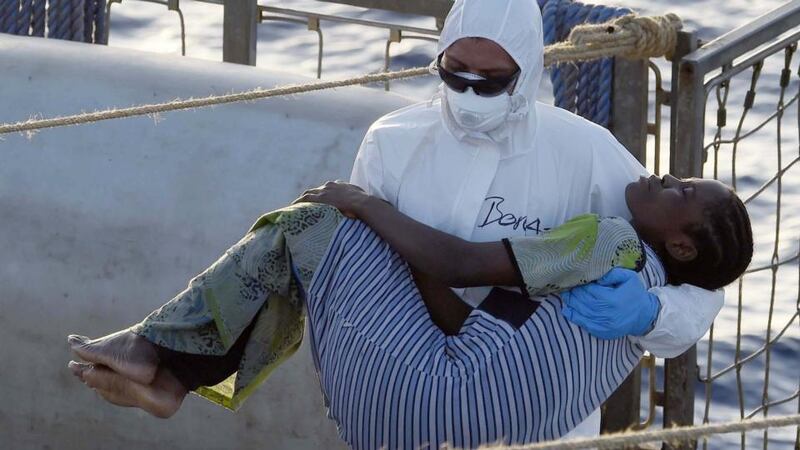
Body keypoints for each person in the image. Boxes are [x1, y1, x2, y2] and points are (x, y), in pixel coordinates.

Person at [68, 174, 752, 447]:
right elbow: (470, 330)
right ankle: (175, 380)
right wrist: (394, 251)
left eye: (680, 187)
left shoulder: (613, 242)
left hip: (412, 401)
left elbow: (459, 263)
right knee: (330, 257)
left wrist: (367, 204)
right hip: (436, 427)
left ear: (682, 242)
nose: (664, 175)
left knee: (307, 226)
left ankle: (159, 357)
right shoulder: (632, 322)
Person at [346, 0, 728, 437]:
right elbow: (369, 268)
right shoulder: (390, 142)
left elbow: (703, 284)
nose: (470, 91)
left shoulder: (587, 153)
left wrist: (652, 314)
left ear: (526, 72)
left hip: (546, 421)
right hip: (413, 402)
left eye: (492, 81)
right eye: (455, 72)